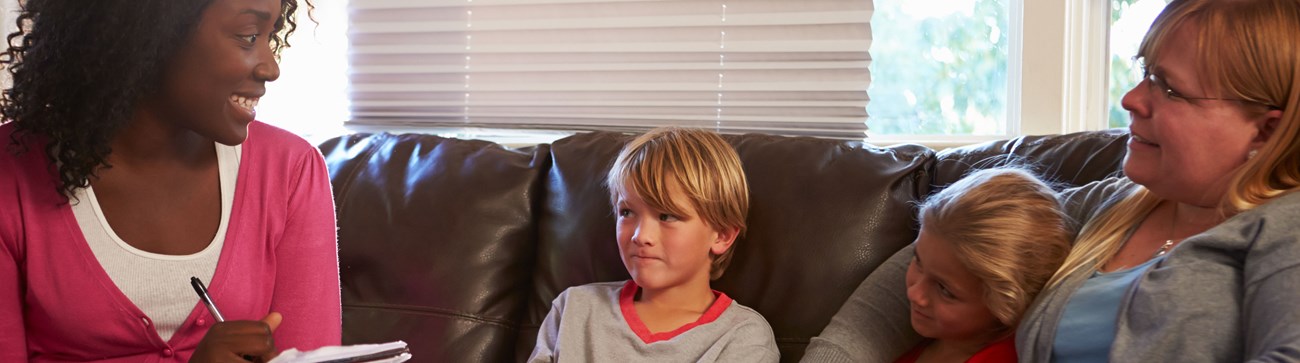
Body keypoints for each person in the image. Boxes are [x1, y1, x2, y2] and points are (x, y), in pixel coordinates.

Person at [804, 0, 1300, 361]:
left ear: (1266, 128)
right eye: (1145, 73)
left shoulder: (1283, 231)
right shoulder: (1110, 205)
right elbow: (953, 244)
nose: (1131, 98)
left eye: (1169, 88)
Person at [0, 0, 339, 362]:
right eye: (248, 36)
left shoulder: (291, 171)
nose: (271, 68)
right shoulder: (11, 172)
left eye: (270, 36)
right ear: (149, 35)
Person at [528, 127, 779, 362]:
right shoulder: (574, 308)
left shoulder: (743, 337)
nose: (640, 235)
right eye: (626, 212)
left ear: (722, 235)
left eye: (667, 216)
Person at [893, 168, 1069, 363]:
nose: (914, 294)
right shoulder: (924, 339)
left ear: (1006, 307)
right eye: (918, 261)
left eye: (945, 290)